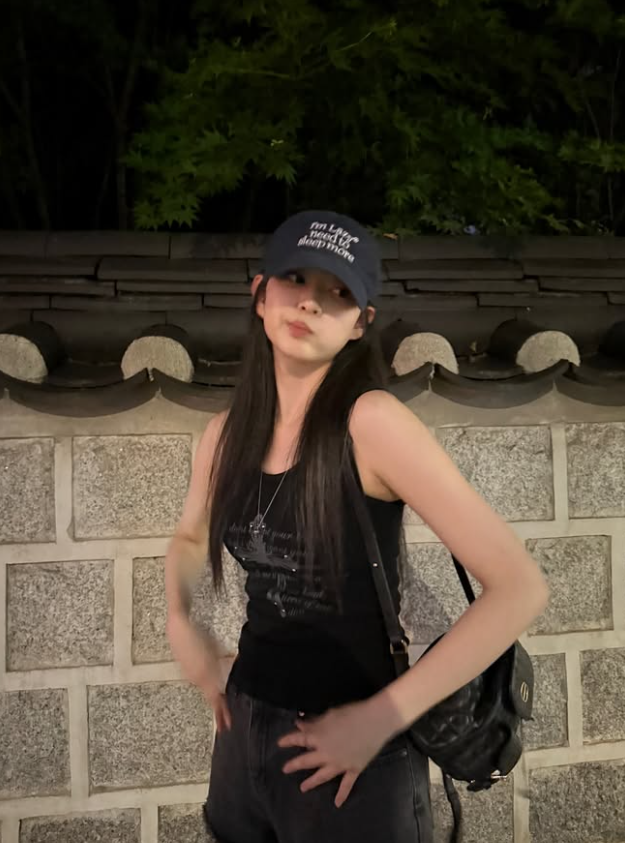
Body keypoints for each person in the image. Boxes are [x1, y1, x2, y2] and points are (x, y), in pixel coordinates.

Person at [164, 210, 549, 843]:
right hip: (243, 734)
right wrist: (182, 620)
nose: (311, 302)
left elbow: (520, 588)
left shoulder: (370, 422)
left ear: (360, 324)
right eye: (295, 278)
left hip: (353, 756)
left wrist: (379, 719)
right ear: (259, 294)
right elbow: (188, 538)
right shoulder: (225, 435)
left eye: (338, 291)